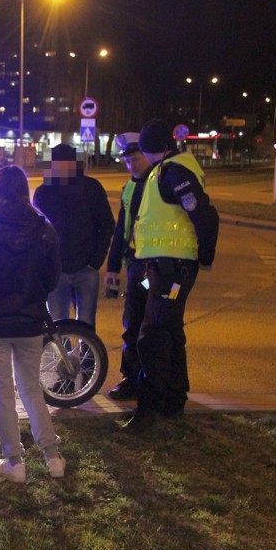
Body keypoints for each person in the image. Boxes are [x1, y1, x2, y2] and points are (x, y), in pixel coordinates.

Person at [0, 165, 65, 483]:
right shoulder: (43, 228)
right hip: (30, 319)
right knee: (32, 389)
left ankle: (14, 462)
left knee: (3, 392)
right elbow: (53, 278)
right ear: (24, 190)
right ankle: (53, 457)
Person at [122, 119, 219, 433]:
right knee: (170, 334)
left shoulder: (173, 173)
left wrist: (205, 257)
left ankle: (149, 410)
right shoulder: (167, 170)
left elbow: (204, 214)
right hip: (165, 268)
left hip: (173, 268)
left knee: (151, 338)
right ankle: (174, 400)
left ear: (152, 150)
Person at [33, 143, 114, 330]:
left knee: (86, 327)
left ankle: (89, 360)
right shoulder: (44, 192)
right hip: (56, 271)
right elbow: (37, 232)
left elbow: (106, 224)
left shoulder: (91, 188)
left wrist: (95, 261)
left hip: (86, 269)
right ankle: (63, 360)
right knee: (57, 327)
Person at [103, 133, 152, 401]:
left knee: (150, 322)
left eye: (135, 159)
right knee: (132, 322)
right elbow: (122, 229)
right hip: (137, 264)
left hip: (154, 265)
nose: (131, 164)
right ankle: (131, 378)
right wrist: (112, 267)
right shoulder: (130, 187)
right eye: (127, 160)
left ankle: (149, 379)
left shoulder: (157, 184)